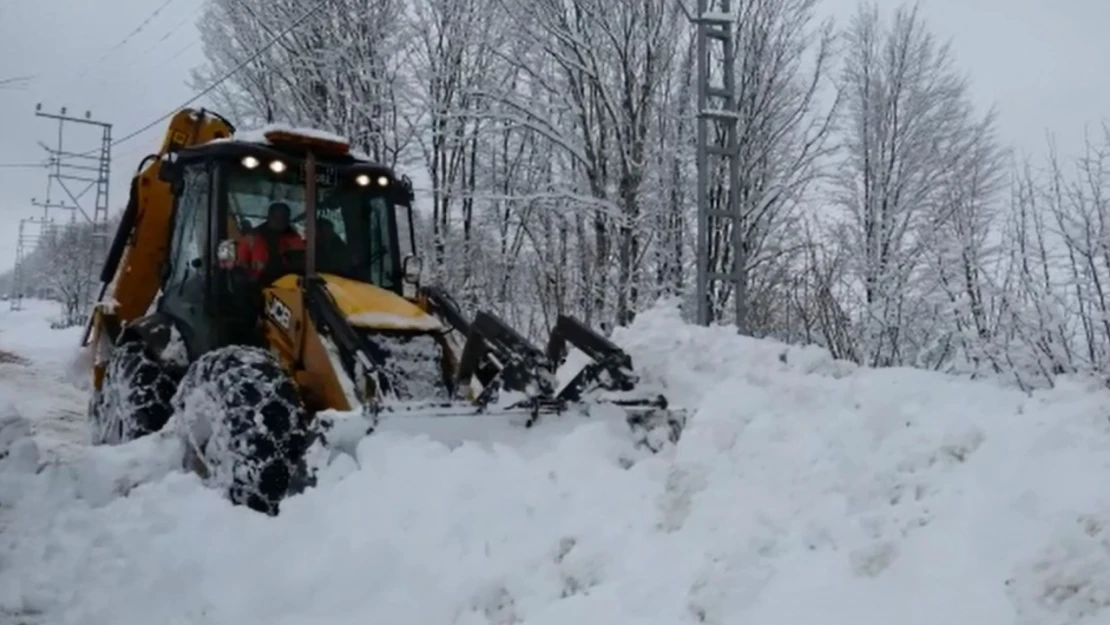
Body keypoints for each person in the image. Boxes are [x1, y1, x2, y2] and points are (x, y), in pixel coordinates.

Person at [236, 201, 305, 281]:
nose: (280, 220)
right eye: (277, 217)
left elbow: (301, 263)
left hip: (288, 284)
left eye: (284, 217)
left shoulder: (294, 237)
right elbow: (240, 268)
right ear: (269, 217)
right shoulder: (250, 238)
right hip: (256, 286)